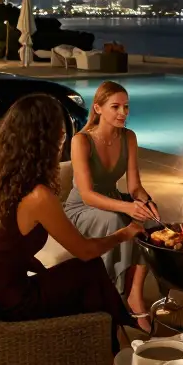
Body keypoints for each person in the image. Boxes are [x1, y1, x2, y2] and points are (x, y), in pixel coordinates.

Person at [0, 93, 146, 351]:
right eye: (60, 133)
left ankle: (114, 342)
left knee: (80, 277)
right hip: (8, 306)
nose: (64, 139)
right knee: (89, 269)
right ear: (46, 140)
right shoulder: (37, 196)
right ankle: (119, 346)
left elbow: (3, 246)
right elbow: (83, 251)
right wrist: (125, 233)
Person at [63, 81, 158, 330]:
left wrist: (146, 201)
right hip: (82, 209)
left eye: (126, 107)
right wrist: (127, 207)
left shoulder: (129, 137)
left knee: (148, 222)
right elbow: (87, 195)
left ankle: (135, 295)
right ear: (98, 108)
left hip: (114, 200)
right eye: (115, 106)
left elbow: (135, 186)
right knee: (117, 221)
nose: (123, 113)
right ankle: (108, 297)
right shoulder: (81, 141)